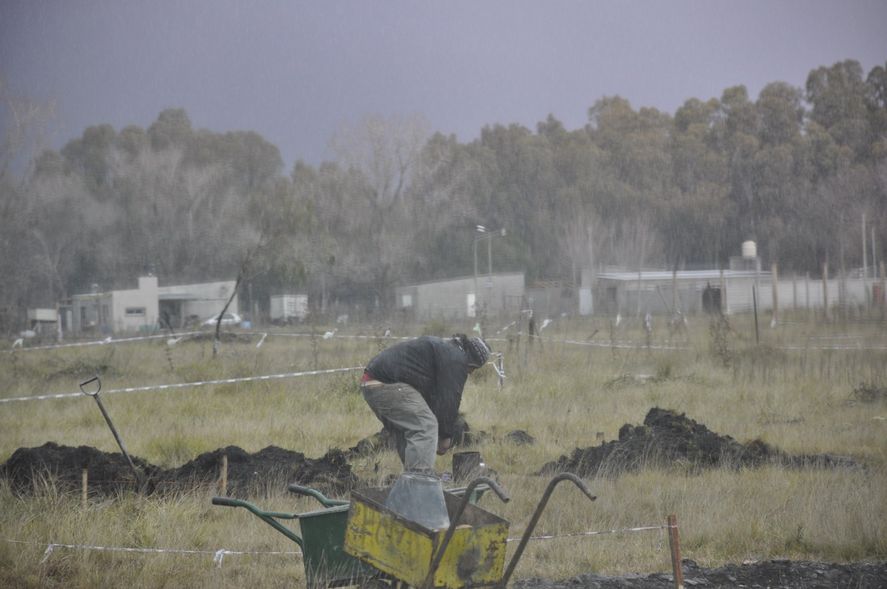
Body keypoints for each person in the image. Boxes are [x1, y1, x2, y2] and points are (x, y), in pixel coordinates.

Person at [360, 334, 491, 474]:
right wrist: (445, 436)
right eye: (474, 369)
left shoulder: (447, 350)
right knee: (426, 426)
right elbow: (449, 399)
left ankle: (413, 479)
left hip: (372, 383)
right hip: (386, 384)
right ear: (473, 362)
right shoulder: (456, 359)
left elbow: (435, 398)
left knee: (407, 431)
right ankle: (421, 483)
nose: (471, 373)